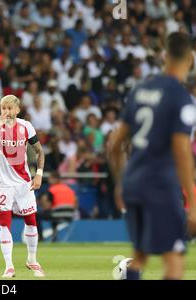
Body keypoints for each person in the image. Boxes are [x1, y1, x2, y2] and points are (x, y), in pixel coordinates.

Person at [109, 32, 196, 280]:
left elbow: (115, 144)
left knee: (140, 256)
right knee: (174, 262)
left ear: (165, 56)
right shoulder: (181, 97)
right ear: (190, 59)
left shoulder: (140, 89)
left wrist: (120, 183)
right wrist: (193, 199)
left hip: (133, 183)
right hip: (159, 185)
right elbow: (181, 150)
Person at [0, 94, 45, 278]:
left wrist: (39, 175)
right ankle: (9, 266)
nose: (6, 112)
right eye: (3, 108)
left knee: (31, 222)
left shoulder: (26, 126)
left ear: (17, 110)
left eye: (10, 108)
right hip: (3, 184)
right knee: (4, 224)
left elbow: (40, 152)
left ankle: (32, 260)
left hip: (24, 182)